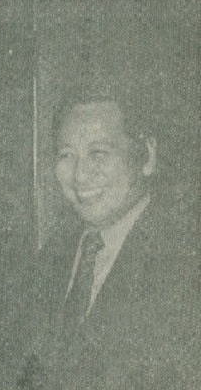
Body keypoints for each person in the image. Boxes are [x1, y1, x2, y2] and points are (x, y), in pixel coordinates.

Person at [19, 85, 200, 389]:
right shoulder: (51, 255)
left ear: (147, 157)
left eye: (98, 153)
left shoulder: (186, 261)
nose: (79, 175)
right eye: (66, 155)